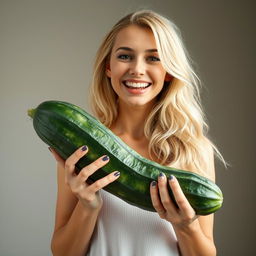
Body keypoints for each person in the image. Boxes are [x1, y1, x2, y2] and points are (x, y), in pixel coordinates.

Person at [50, 10, 225, 256]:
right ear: (108, 67)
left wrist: (186, 227)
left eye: (153, 58)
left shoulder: (193, 149)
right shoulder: (80, 148)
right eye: (125, 56)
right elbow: (62, 252)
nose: (137, 69)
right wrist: (87, 207)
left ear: (169, 72)